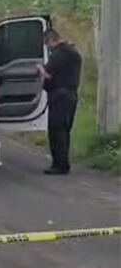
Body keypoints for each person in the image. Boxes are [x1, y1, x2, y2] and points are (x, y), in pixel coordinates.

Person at [36, 28, 82, 175]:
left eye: (46, 44)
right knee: (64, 130)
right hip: (71, 96)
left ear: (50, 40)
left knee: (56, 131)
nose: (47, 48)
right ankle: (63, 162)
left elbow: (48, 75)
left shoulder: (58, 54)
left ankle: (59, 165)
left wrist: (40, 69)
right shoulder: (72, 52)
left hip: (59, 96)